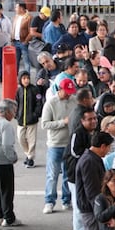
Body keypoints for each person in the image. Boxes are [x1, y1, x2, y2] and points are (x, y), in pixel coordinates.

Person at [40, 77, 77, 214]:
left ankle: (66, 200)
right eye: (66, 92)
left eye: (70, 92)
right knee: (52, 175)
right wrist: (62, 122)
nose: (68, 95)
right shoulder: (51, 103)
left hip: (69, 143)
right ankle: (49, 201)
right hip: (55, 144)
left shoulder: (74, 101)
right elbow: (44, 124)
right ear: (59, 89)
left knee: (68, 174)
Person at [0, 99, 19, 227]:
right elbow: (7, 146)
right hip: (3, 162)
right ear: (8, 111)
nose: (14, 114)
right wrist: (13, 157)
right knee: (6, 191)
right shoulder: (6, 125)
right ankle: (9, 218)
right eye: (14, 111)